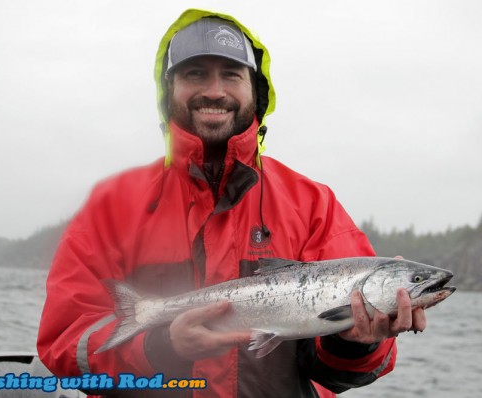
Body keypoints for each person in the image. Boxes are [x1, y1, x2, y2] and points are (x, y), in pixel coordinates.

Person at [37, 8, 426, 398]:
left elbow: (342, 373)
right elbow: (65, 346)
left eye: (231, 74)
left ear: (255, 92)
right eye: (195, 73)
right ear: (168, 91)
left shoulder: (313, 205)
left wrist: (356, 342)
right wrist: (158, 348)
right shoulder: (112, 207)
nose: (214, 90)